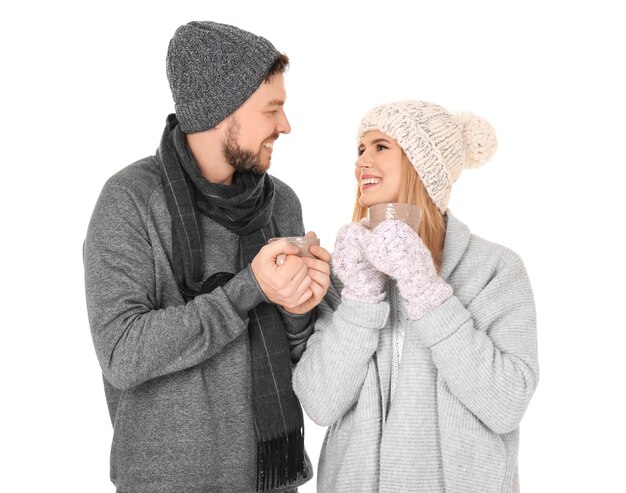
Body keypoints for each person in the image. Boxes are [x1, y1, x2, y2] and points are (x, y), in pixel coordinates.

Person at [84, 21, 330, 493]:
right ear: (223, 113)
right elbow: (121, 353)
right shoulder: (130, 201)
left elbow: (305, 366)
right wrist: (247, 291)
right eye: (272, 109)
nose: (285, 125)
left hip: (272, 480)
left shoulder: (283, 204)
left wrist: (299, 312)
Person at [293, 100, 539, 492]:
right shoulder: (348, 271)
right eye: (360, 149)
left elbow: (506, 403)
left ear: (423, 165)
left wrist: (428, 293)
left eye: (381, 147)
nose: (362, 162)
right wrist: (360, 299)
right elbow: (321, 404)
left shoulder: (495, 269)